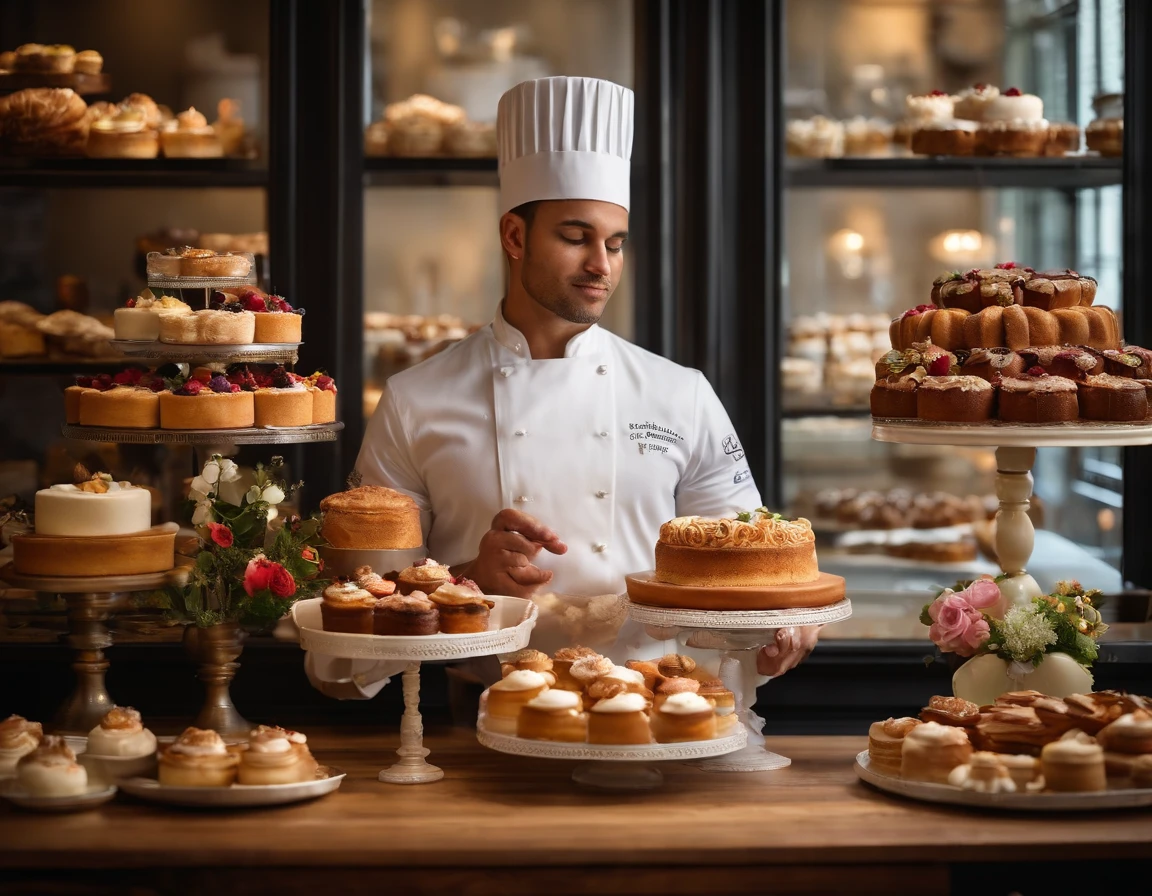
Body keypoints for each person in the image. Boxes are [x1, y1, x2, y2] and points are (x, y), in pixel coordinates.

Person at [306, 77, 817, 698]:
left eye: (615, 244)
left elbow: (747, 566)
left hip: (662, 712)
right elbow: (353, 630)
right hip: (485, 726)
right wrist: (469, 579)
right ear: (514, 238)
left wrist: (779, 620)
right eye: (576, 238)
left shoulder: (680, 393)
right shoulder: (416, 400)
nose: (601, 265)